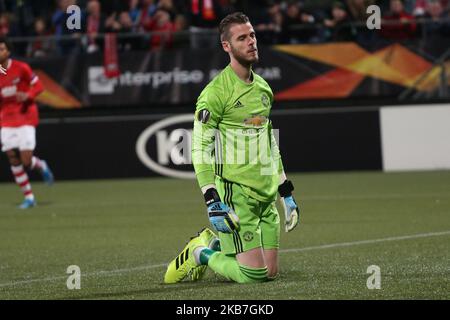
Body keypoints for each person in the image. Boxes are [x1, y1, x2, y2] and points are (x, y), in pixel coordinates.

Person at [164, 12, 300, 284]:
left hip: (266, 194)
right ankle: (200, 252)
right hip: (236, 195)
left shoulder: (263, 89)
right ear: (226, 46)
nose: (251, 42)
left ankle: (215, 244)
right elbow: (201, 147)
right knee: (254, 276)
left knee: (270, 272)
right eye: (242, 38)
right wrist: (212, 199)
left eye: (252, 35)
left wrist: (285, 191)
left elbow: (269, 142)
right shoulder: (216, 93)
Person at [0, 38, 54, 209]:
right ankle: (29, 197)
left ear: (8, 51)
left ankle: (40, 164)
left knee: (26, 160)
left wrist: (28, 95)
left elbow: (38, 86)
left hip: (25, 116)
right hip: (6, 119)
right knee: (12, 157)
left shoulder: (21, 68)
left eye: (1, 49)